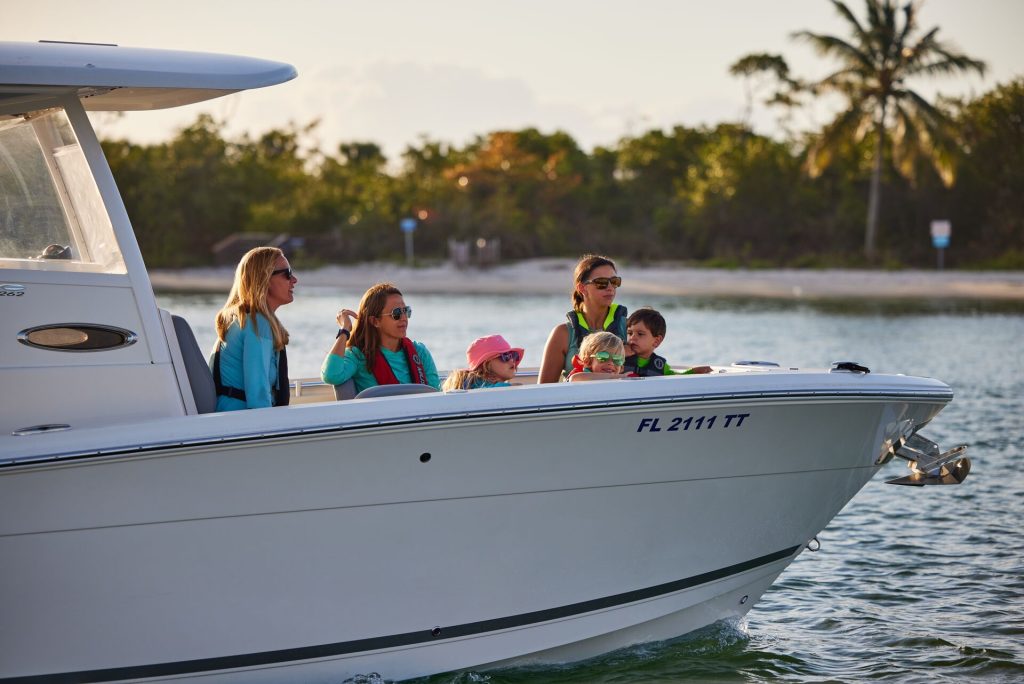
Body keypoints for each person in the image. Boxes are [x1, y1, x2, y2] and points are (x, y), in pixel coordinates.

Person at [210, 246, 297, 411]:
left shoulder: (244, 319)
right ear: (264, 279)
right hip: (239, 424)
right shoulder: (257, 324)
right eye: (288, 273)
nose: (294, 280)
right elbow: (258, 395)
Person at [321, 282, 440, 394]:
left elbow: (435, 393)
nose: (404, 317)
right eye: (397, 313)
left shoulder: (420, 352)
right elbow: (331, 375)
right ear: (375, 321)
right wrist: (345, 330)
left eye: (406, 311)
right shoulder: (358, 356)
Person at [538, 254, 627, 383]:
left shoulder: (630, 328)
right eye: (601, 283)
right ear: (582, 288)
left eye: (614, 282)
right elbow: (543, 388)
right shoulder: (562, 334)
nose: (610, 288)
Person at [623, 307, 713, 376]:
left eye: (640, 334)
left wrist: (694, 372)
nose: (632, 338)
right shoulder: (618, 357)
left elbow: (676, 379)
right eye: (630, 333)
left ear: (656, 341)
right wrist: (620, 353)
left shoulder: (660, 366)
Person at [442, 335, 524, 391]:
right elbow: (488, 391)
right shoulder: (477, 387)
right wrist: (512, 388)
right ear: (486, 365)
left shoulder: (472, 384)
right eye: (505, 356)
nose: (512, 360)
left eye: (513, 355)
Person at [566, 331, 632, 382]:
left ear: (622, 367)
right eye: (603, 357)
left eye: (617, 359)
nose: (611, 363)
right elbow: (574, 378)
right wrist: (614, 377)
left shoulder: (619, 381)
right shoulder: (584, 375)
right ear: (588, 361)